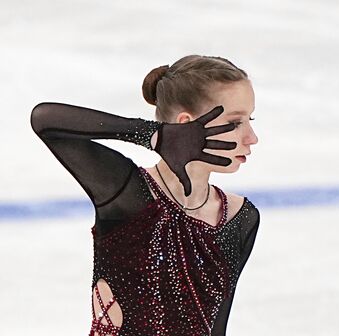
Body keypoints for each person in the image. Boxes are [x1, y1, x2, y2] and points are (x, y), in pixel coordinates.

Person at [30, 55, 260, 336]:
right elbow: (45, 120)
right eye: (236, 123)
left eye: (251, 119)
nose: (252, 137)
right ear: (186, 123)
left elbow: (215, 327)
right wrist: (154, 135)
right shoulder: (128, 194)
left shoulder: (240, 219)